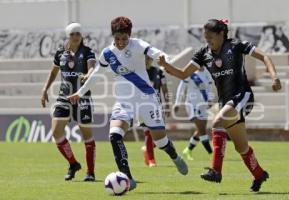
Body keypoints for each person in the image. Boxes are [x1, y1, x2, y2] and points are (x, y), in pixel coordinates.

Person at [157, 19, 281, 192]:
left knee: (217, 122)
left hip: (242, 96)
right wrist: (165, 65)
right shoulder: (203, 54)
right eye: (205, 38)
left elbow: (264, 57)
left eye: (210, 37)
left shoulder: (236, 45)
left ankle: (216, 170)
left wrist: (274, 77)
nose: (207, 41)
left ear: (221, 34)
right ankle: (260, 175)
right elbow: (184, 73)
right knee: (241, 147)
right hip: (226, 102)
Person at [68, 16, 188, 191]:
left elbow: (156, 52)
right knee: (115, 135)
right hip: (124, 103)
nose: (121, 42)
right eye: (117, 38)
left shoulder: (137, 44)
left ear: (129, 36)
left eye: (124, 38)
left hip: (147, 99)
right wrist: (80, 92)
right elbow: (95, 76)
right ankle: (128, 179)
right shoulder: (107, 53)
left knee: (161, 141)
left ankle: (175, 156)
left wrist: (163, 58)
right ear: (113, 36)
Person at [41, 23, 97, 181]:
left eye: (78, 33)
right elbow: (53, 72)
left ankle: (90, 172)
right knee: (56, 132)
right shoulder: (60, 53)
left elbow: (92, 66)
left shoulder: (87, 52)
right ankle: (73, 163)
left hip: (82, 97)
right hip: (63, 98)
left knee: (87, 135)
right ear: (68, 36)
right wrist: (45, 89)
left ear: (82, 35)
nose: (76, 36)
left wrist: (89, 74)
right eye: (73, 33)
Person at [174, 68, 213, 161]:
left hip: (203, 105)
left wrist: (210, 99)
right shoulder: (190, 72)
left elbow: (209, 87)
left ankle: (188, 150)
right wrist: (177, 103)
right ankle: (211, 153)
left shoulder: (208, 72)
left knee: (200, 131)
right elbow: (181, 87)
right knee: (202, 130)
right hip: (192, 105)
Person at [142, 56, 171, 167]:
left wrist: (168, 104)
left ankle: (147, 149)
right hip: (143, 106)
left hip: (156, 106)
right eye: (145, 59)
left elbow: (165, 89)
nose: (146, 61)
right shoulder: (138, 72)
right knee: (149, 133)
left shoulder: (159, 72)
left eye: (148, 59)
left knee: (160, 134)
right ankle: (151, 160)